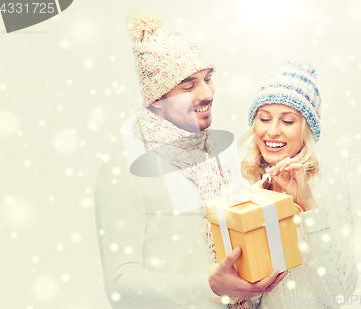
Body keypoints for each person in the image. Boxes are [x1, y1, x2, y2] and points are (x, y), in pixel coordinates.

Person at [94, 11, 286, 309]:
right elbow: (120, 285)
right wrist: (208, 286)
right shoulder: (123, 170)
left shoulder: (219, 156)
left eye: (208, 79)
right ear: (157, 99)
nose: (207, 93)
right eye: (188, 86)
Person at [239, 60, 358, 308]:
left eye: (287, 121)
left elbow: (339, 292)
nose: (272, 131)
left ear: (306, 130)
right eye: (264, 118)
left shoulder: (328, 192)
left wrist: (309, 207)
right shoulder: (244, 191)